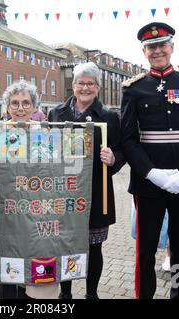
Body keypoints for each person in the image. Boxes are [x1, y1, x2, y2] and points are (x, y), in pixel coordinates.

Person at [120, 22, 179, 299]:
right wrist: (152, 173)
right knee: (146, 250)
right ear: (144, 52)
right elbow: (128, 139)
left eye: (162, 45)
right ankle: (145, 295)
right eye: (151, 47)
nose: (157, 50)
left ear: (171, 47)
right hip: (149, 184)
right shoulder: (134, 88)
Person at [48, 62, 125, 299]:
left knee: (94, 247)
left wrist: (113, 158)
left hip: (96, 192)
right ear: (73, 86)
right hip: (63, 192)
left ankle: (91, 293)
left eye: (90, 83)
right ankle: (66, 293)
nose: (85, 88)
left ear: (98, 88)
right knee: (65, 247)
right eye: (80, 83)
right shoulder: (56, 113)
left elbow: (122, 150)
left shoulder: (110, 117)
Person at [0, 80, 59, 299]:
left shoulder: (45, 133)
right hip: (0, 207)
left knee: (31, 258)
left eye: (26, 103)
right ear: (7, 107)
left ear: (35, 107)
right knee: (1, 261)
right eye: (15, 103)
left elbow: (52, 172)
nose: (20, 108)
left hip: (33, 208)